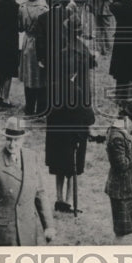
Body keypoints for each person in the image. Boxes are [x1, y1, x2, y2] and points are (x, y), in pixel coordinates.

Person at [45, 16, 96, 214]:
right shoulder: (82, 51)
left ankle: (60, 199)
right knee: (74, 165)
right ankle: (67, 200)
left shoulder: (62, 54)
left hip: (58, 121)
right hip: (77, 117)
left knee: (59, 163)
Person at [0, 116, 55, 246]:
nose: (12, 144)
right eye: (8, 139)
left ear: (23, 139)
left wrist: (49, 225)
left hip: (28, 231)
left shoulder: (32, 157)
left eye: (16, 140)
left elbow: (40, 193)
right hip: (4, 235)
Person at [105, 98, 132, 239]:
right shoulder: (117, 136)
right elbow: (122, 164)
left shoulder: (120, 131)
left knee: (124, 232)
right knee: (121, 232)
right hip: (120, 189)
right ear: (130, 118)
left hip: (124, 187)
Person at [0, 0, 20, 110]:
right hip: (12, 38)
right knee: (9, 69)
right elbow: (19, 25)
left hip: (0, 36)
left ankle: (1, 94)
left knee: (0, 67)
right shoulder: (17, 6)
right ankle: (6, 97)